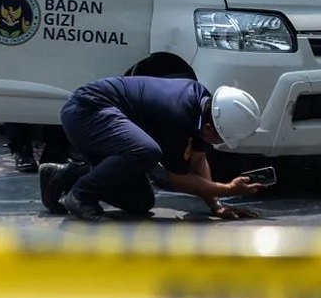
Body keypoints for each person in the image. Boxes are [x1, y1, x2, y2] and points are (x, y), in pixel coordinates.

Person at [39, 76, 265, 221]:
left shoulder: (204, 106)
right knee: (147, 152)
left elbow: (198, 159)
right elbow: (177, 178)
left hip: (103, 120)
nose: (218, 143)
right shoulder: (178, 113)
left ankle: (63, 176)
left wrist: (216, 204)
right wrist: (227, 189)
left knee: (140, 202)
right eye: (219, 138)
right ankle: (80, 195)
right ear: (209, 126)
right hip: (86, 111)